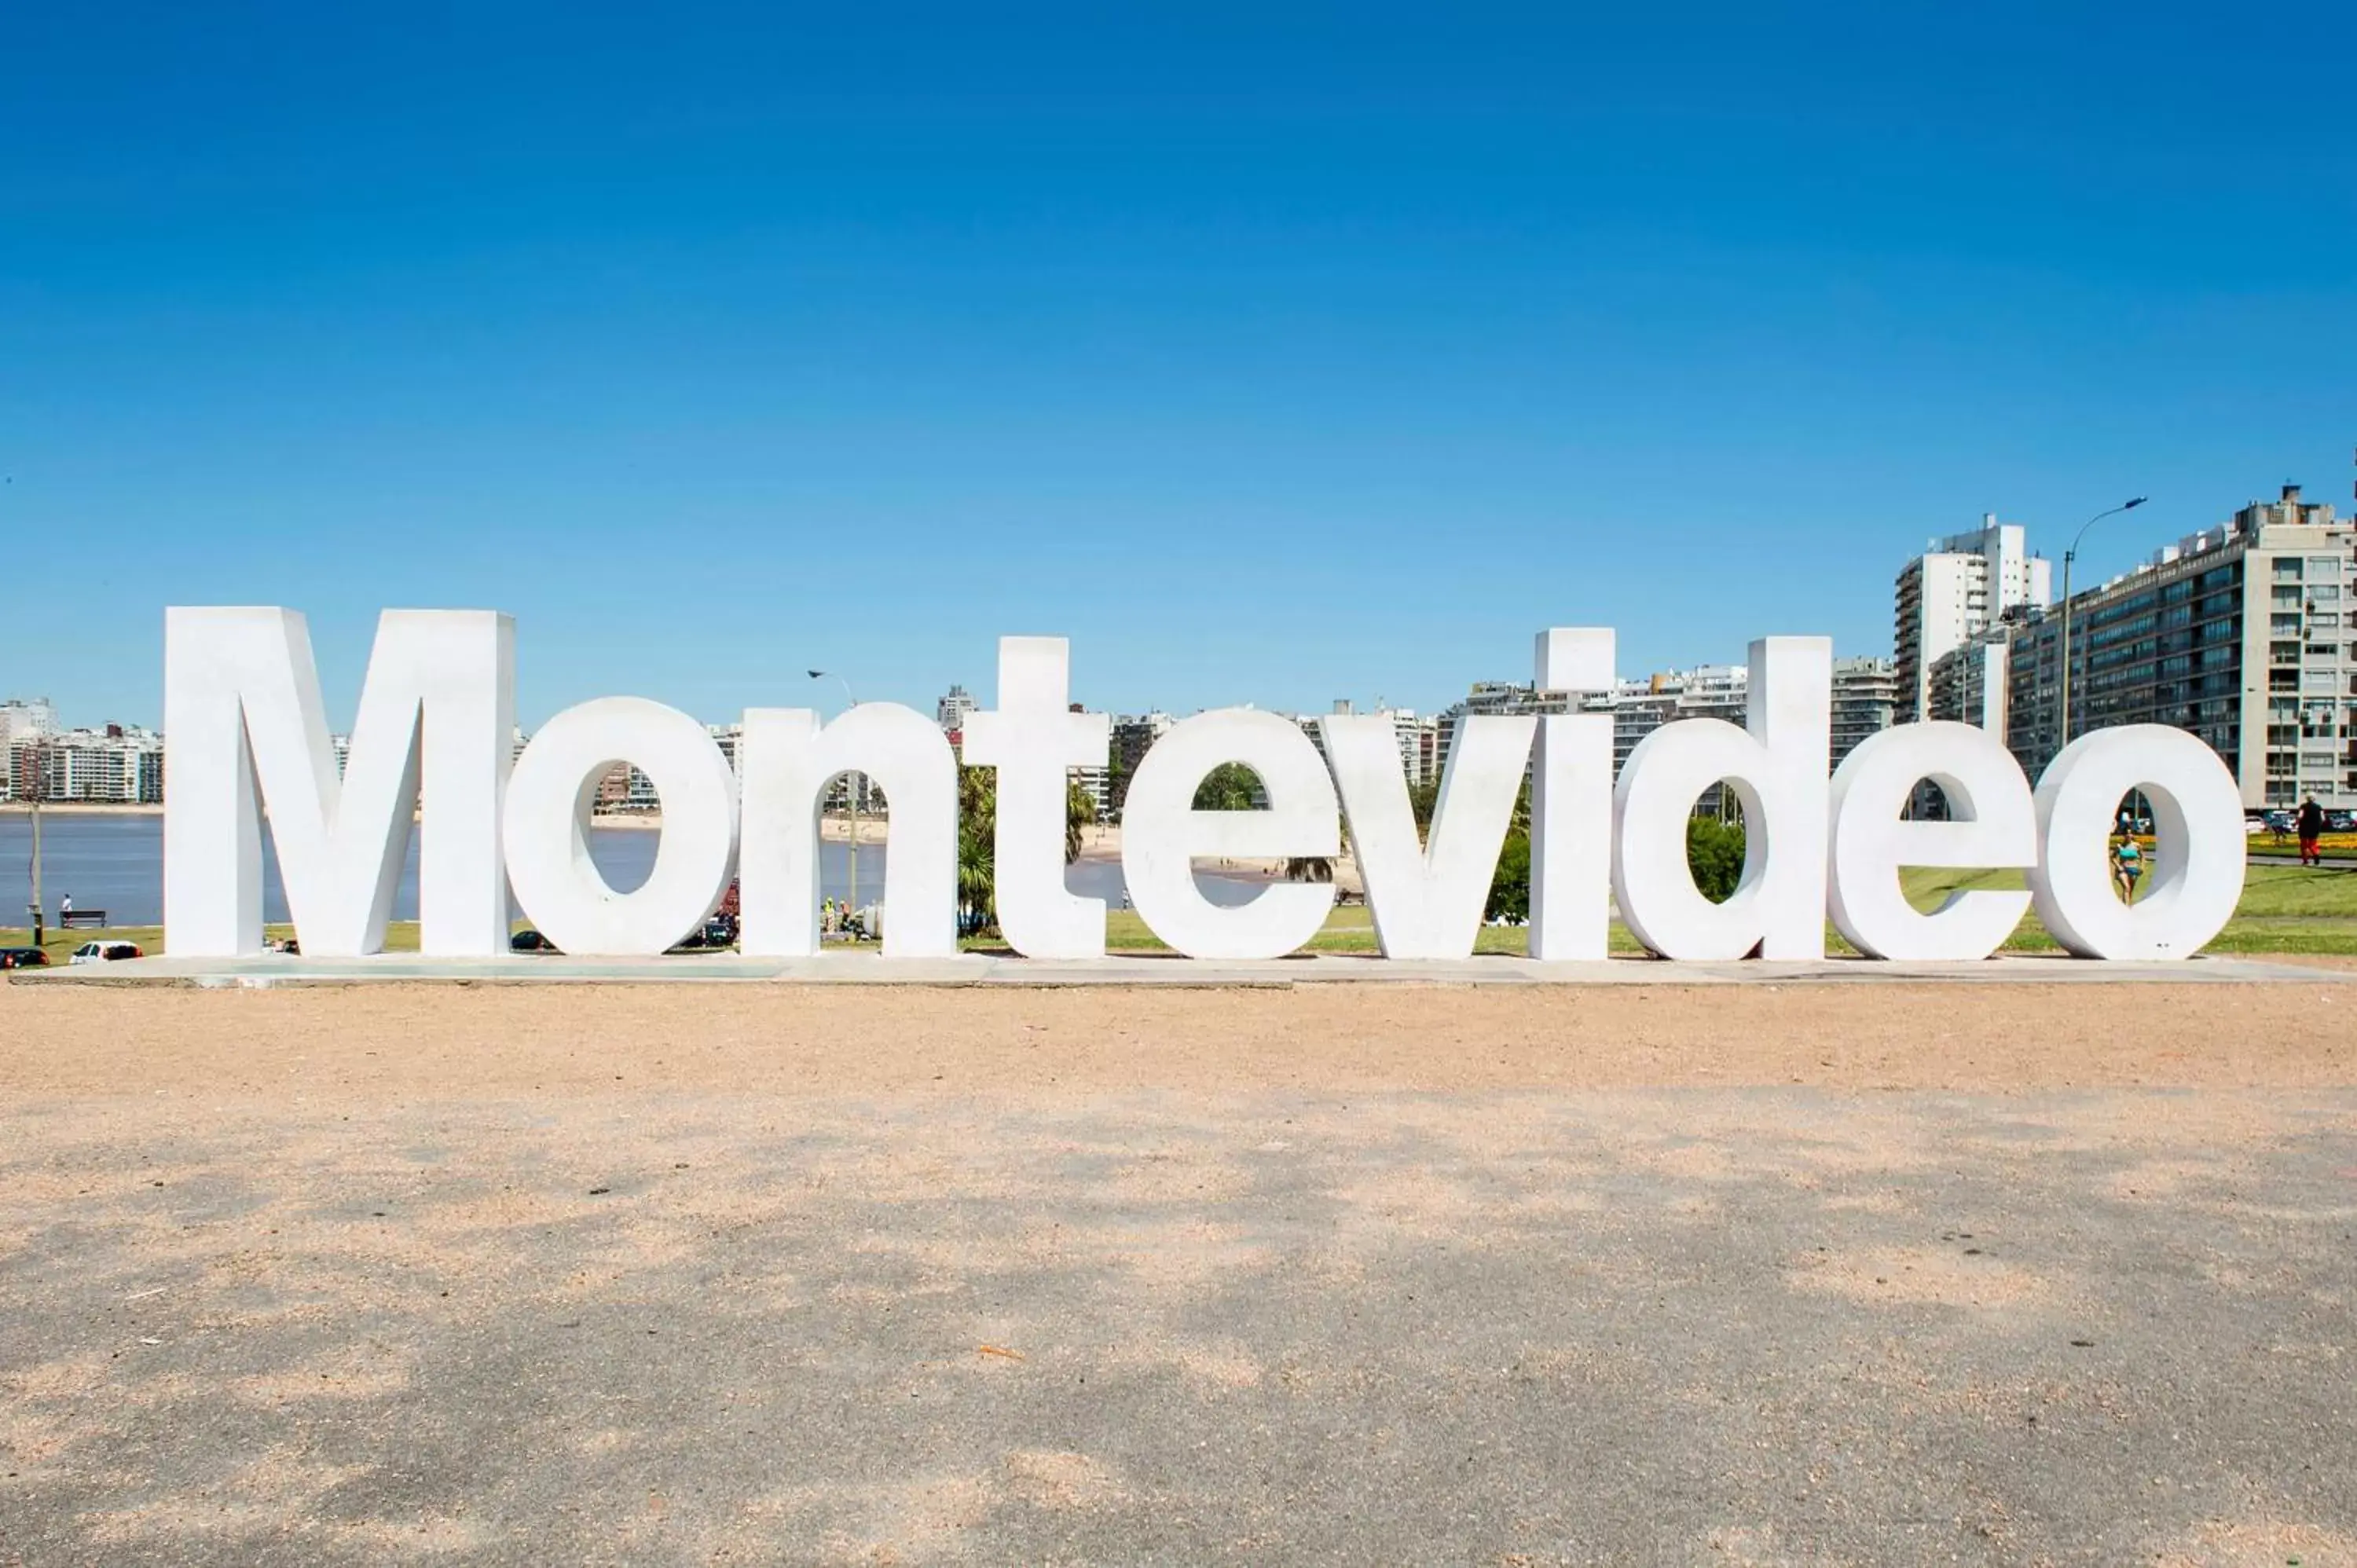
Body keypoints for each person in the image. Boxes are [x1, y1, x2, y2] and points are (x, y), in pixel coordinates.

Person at [2113, 832, 2144, 903]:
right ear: (2124, 835)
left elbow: (2142, 856)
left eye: (2130, 833)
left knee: (2130, 890)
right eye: (2127, 833)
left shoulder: (2137, 845)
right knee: (2127, 888)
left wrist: (2142, 867)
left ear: (2132, 835)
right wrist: (2118, 866)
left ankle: (2124, 904)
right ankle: (2126, 909)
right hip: (2122, 869)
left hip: (2133, 870)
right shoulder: (2119, 846)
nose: (2128, 835)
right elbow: (2113, 857)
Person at [2297, 797, 2326, 868]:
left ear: (2307, 799)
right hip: (2315, 829)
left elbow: (2300, 816)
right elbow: (2323, 818)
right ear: (2314, 799)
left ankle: (2306, 861)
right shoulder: (2319, 807)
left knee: (2304, 845)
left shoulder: (2303, 806)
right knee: (2313, 845)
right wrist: (2318, 824)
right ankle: (2317, 861)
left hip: (2304, 828)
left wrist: (2297, 822)